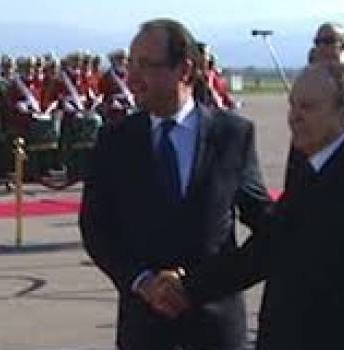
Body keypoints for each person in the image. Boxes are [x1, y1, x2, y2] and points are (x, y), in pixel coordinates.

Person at [148, 63, 344, 350]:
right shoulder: (313, 167)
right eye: (292, 106)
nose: (294, 118)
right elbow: (266, 249)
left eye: (308, 107)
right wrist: (189, 287)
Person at [80, 18, 271, 350]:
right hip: (144, 325)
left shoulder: (232, 135)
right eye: (130, 65)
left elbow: (263, 220)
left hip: (216, 326)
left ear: (184, 70)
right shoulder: (114, 140)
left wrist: (206, 284)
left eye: (146, 66)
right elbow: (96, 226)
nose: (132, 79)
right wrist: (142, 282)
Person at [285, 21, 344, 195]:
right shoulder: (310, 78)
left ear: (343, 46)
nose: (321, 47)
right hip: (307, 168)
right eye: (317, 42)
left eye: (328, 41)